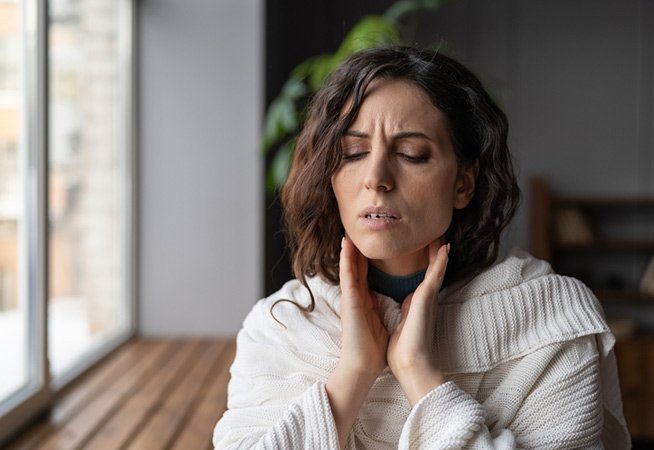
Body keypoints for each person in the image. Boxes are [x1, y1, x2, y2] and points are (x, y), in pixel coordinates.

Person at [213, 46, 631, 449]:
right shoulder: (281, 326)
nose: (376, 177)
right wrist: (353, 374)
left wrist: (419, 373)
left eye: (412, 154)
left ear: (463, 183)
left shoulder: (551, 319)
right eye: (353, 152)